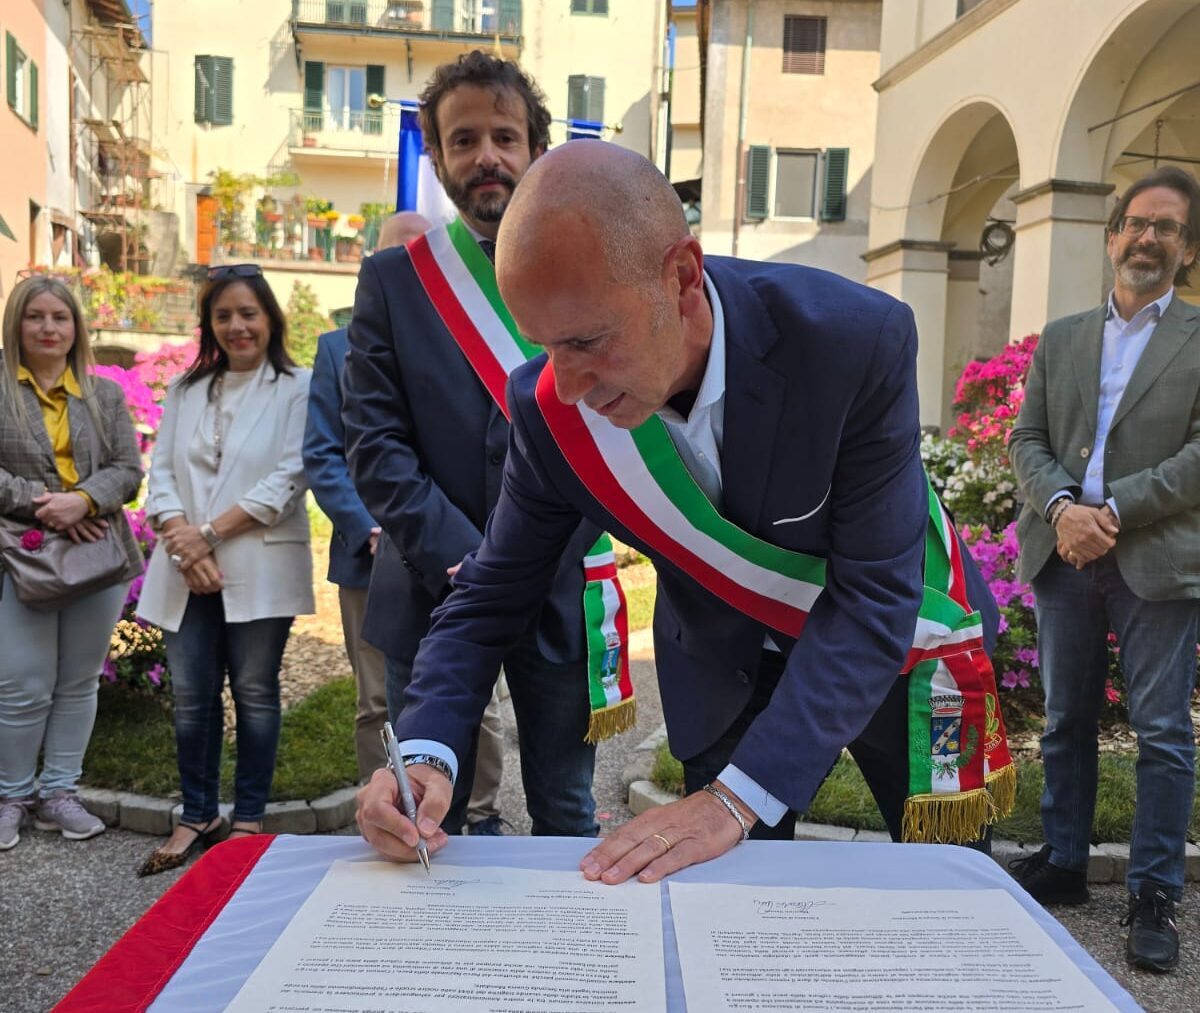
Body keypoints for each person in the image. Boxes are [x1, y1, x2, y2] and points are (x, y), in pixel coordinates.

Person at [356, 141, 1009, 880]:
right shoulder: (549, 413)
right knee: (719, 911)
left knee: (950, 895)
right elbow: (489, 595)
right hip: (722, 661)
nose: (567, 387)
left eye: (587, 341)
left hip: (894, 647)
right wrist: (425, 754)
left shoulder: (853, 342)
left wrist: (733, 800)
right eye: (545, 346)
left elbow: (872, 598)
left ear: (682, 275)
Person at [343, 52, 606, 839]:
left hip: (558, 579)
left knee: (566, 805)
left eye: (503, 135)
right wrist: (465, 554)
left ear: (535, 149)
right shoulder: (394, 280)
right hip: (432, 582)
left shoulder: (589, 270)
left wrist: (537, 551)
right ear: (438, 157)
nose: (486, 156)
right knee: (425, 806)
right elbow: (374, 442)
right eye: (464, 140)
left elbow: (618, 423)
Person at [1008, 165, 1200, 974]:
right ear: (1112, 234)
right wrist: (1062, 510)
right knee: (1065, 719)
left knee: (1162, 731)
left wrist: (1112, 510)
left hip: (1154, 556)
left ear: (1186, 251)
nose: (1147, 237)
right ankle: (1063, 859)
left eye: (1167, 228)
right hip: (1065, 552)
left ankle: (1154, 892)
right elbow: (1028, 441)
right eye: (1137, 223)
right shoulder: (1063, 337)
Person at [136, 265, 313, 876]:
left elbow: (289, 480)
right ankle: (198, 812)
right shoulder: (188, 390)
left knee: (256, 694)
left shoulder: (298, 386)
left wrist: (204, 537)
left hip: (257, 566)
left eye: (248, 313)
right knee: (191, 698)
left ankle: (248, 818)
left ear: (270, 319)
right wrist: (184, 544)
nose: (237, 326)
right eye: (223, 316)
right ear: (209, 325)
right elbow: (158, 473)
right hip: (184, 568)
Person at [0, 276, 144, 851]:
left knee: (79, 681)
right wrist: (48, 506)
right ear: (17, 323)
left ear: (76, 327)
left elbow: (127, 470)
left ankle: (59, 793)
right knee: (21, 682)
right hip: (19, 556)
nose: (49, 328)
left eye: (60, 317)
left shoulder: (103, 395)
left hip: (94, 557)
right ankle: (12, 794)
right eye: (36, 317)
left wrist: (82, 501)